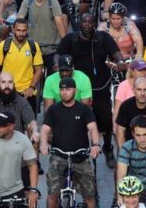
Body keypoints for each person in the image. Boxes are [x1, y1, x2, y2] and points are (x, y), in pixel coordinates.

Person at [57, 12, 126, 167]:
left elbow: (116, 52)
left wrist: (120, 61)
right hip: (79, 87)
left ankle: (108, 147)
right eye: (84, 21)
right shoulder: (71, 39)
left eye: (90, 21)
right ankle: (79, 150)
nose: (87, 24)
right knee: (78, 120)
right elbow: (59, 54)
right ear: (79, 23)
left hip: (100, 85)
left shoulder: (103, 37)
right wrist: (57, 65)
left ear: (94, 23)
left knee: (106, 119)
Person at [40, 77, 101, 208]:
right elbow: (45, 129)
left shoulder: (84, 109)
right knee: (52, 194)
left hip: (81, 156)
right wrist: (43, 144)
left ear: (75, 90)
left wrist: (95, 145)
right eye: (62, 90)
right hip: (58, 156)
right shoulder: (53, 110)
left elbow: (92, 128)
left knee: (89, 196)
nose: (64, 92)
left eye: (68, 89)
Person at [0, 111, 40, 208]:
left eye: (1, 126)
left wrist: (33, 190)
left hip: (16, 190)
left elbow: (32, 165)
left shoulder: (23, 139)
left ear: (11, 126)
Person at [0, 18, 44, 112]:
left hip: (27, 93)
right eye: (18, 30)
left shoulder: (33, 46)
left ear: (27, 30)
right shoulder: (3, 46)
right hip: (7, 90)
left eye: (24, 30)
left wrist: (31, 87)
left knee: (29, 120)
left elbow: (39, 69)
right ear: (13, 29)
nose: (21, 33)